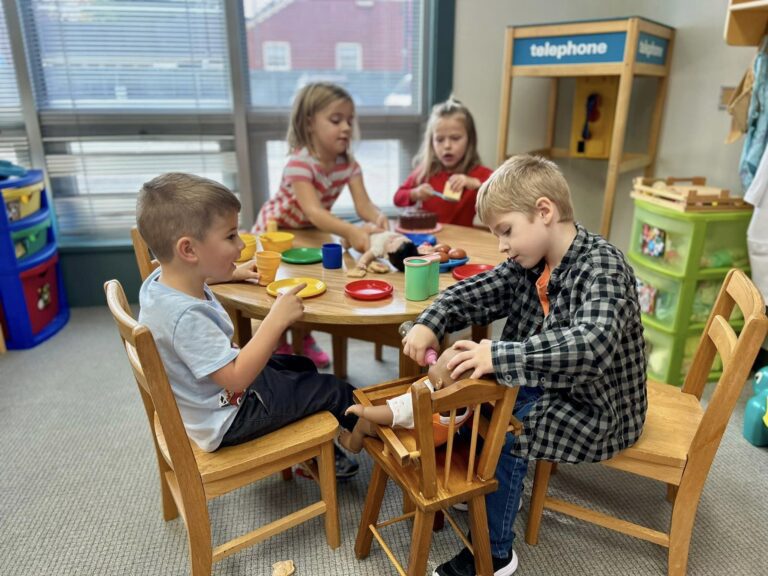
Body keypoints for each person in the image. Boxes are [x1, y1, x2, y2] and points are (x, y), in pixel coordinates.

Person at [402, 155, 647, 576]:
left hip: (600, 407)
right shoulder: (528, 262)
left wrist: (496, 355)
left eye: (506, 231)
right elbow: (477, 291)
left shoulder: (603, 266)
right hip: (552, 383)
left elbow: (591, 346)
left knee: (508, 428)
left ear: (544, 212)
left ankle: (494, 554)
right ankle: (483, 483)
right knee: (482, 392)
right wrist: (431, 321)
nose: (502, 245)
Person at [137, 172, 359, 478]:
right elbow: (236, 379)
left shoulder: (161, 285)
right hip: (228, 417)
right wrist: (275, 320)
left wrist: (228, 273)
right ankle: (384, 446)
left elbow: (186, 276)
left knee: (301, 367)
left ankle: (314, 453)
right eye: (230, 236)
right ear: (188, 250)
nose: (241, 244)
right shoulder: (186, 318)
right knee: (334, 390)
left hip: (212, 403)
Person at [252, 82, 388, 367]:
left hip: (310, 234)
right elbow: (314, 211)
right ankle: (279, 341)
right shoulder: (299, 163)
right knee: (280, 286)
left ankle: (304, 336)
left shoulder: (349, 165)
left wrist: (377, 218)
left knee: (311, 285)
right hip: (277, 233)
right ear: (309, 123)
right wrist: (351, 231)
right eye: (336, 120)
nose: (346, 128)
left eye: (350, 120)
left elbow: (363, 205)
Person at [339, 346, 473, 453]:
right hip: (438, 437)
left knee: (364, 423)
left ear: (438, 383)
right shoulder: (469, 398)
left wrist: (363, 411)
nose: (433, 361)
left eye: (437, 363)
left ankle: (353, 444)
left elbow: (390, 413)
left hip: (414, 441)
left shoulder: (420, 401)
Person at [393, 97, 493, 227]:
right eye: (439, 140)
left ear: (470, 140)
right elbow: (397, 198)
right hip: (430, 241)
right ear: (431, 142)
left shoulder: (479, 174)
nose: (447, 146)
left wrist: (476, 184)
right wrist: (415, 193)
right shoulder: (425, 172)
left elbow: (503, 197)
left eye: (455, 138)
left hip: (463, 241)